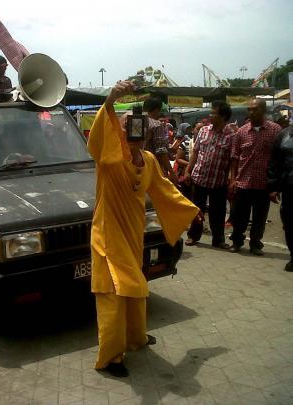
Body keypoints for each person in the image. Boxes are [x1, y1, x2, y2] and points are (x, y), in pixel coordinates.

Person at [87, 81, 198, 377]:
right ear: (118, 132)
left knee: (136, 288)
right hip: (108, 237)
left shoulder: (148, 160)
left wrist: (192, 211)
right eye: (126, 128)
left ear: (146, 132)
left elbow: (165, 191)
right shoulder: (109, 160)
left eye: (138, 128)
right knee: (114, 292)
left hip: (133, 236)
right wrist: (111, 99)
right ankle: (110, 358)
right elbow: (99, 137)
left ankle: (135, 338)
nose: (133, 133)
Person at [229, 99, 282, 255]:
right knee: (239, 217)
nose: (251, 112)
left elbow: (279, 158)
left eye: (255, 110)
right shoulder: (241, 132)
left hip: (264, 184)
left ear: (263, 111)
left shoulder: (275, 130)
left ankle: (255, 244)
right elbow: (234, 157)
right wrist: (233, 179)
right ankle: (237, 242)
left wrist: (276, 186)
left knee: (260, 218)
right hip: (244, 182)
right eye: (249, 110)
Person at [184, 101, 235, 249]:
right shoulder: (204, 130)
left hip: (218, 182)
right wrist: (188, 171)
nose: (210, 116)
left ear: (224, 116)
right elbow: (195, 153)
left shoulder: (231, 136)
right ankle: (193, 236)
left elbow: (232, 160)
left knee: (217, 213)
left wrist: (232, 179)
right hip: (199, 178)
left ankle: (218, 240)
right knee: (196, 209)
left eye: (213, 113)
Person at [267, 125, 293, 272]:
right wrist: (273, 186)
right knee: (289, 224)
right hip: (289, 189)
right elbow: (274, 162)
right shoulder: (284, 135)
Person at [143, 97, 178, 184]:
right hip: (153, 167)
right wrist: (172, 172)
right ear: (156, 109)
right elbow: (161, 151)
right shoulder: (156, 125)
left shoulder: (136, 121)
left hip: (136, 165)